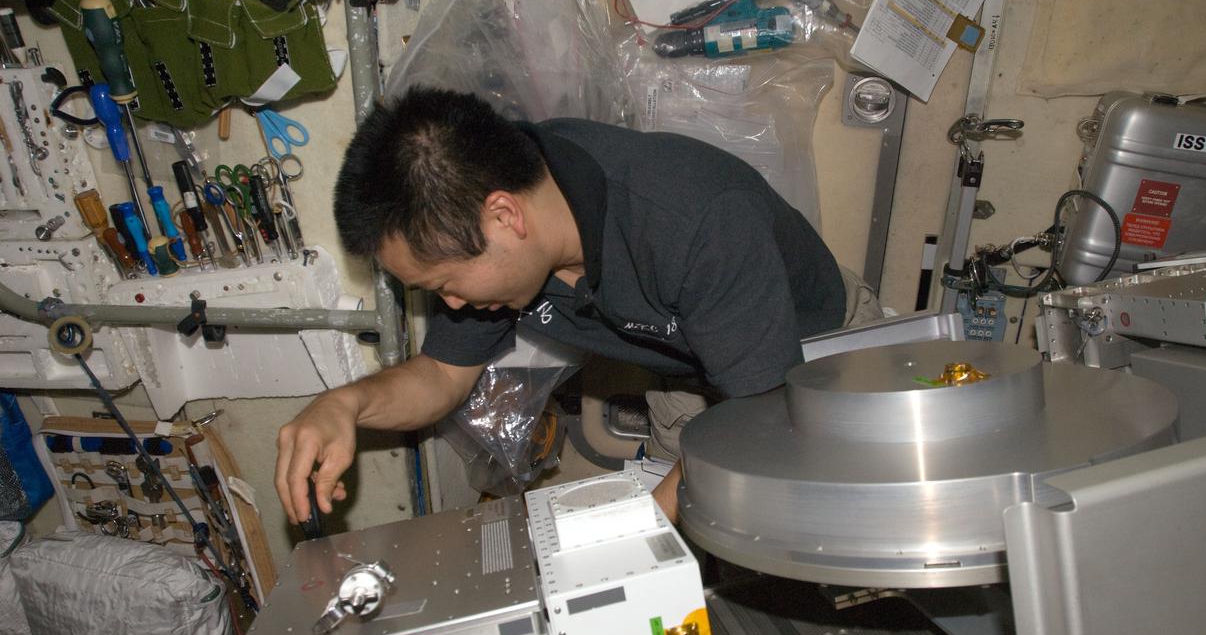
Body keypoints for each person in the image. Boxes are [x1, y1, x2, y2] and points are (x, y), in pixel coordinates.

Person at [275, 87, 879, 526]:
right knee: (692, 567)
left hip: (815, 362)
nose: (451, 303)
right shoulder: (489, 234)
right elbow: (440, 377)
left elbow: (759, 412)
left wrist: (635, 539)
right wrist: (344, 404)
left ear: (504, 216)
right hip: (691, 372)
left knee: (820, 538)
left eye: (446, 285)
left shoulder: (693, 219)